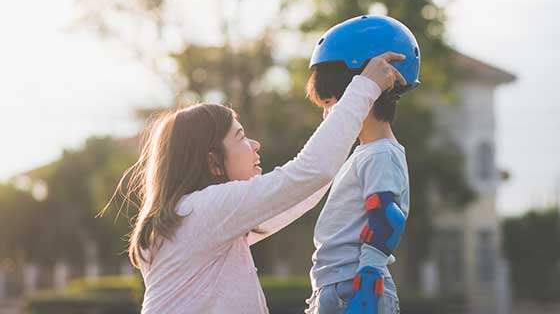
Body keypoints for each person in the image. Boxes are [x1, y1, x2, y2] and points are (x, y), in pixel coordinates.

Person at [100, 51, 406, 313]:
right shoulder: (204, 210)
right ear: (212, 161)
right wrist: (364, 88)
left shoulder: (191, 219)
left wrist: (340, 123)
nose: (255, 145)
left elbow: (301, 190)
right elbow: (307, 175)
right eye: (242, 137)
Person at [303, 15, 421, 314]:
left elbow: (385, 219)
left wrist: (367, 288)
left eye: (331, 103)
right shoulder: (364, 154)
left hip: (357, 288)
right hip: (336, 286)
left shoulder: (380, 154)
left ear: (366, 90)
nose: (327, 114)